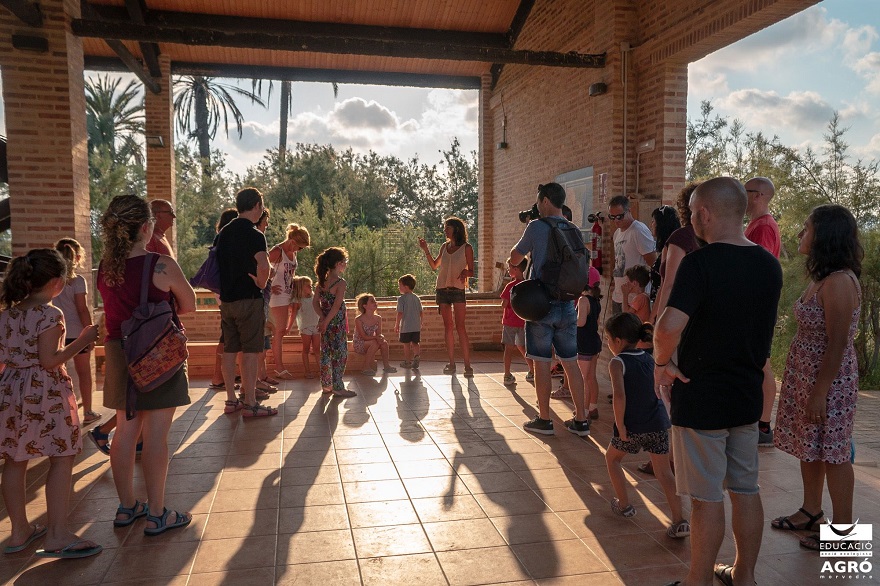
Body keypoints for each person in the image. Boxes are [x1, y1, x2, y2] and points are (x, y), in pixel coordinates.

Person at [654, 177, 782, 586]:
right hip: (746, 396)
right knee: (746, 488)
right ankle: (744, 576)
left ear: (705, 214)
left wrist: (661, 363)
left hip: (701, 396)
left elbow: (667, 327)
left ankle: (698, 581)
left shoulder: (700, 263)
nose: (692, 220)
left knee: (706, 498)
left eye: (693, 213)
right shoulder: (769, 265)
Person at [97, 194, 197, 536]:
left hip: (118, 351)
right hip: (157, 352)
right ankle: (157, 514)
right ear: (144, 227)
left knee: (125, 432)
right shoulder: (160, 264)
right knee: (156, 436)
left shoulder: (105, 267)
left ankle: (127, 506)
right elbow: (189, 304)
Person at [771, 204, 863, 552]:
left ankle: (845, 534)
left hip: (829, 383)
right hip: (807, 378)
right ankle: (811, 511)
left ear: (825, 236)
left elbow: (838, 344)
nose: (800, 234)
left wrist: (820, 392)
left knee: (834, 453)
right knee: (811, 447)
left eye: (806, 228)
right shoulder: (824, 277)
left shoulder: (839, 282)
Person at [0, 249, 102, 558]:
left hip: (11, 390)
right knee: (61, 455)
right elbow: (49, 360)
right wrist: (83, 340)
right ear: (57, 282)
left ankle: (19, 531)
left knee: (15, 459)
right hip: (46, 392)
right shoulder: (50, 314)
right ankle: (57, 534)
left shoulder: (7, 314)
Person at [509, 182, 589, 436]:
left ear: (544, 200)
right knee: (571, 363)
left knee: (542, 363)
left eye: (538, 201)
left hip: (541, 305)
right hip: (568, 304)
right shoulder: (573, 228)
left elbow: (515, 258)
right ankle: (581, 420)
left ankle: (544, 419)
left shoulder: (536, 226)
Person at [603, 313, 689, 538]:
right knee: (664, 472)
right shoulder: (651, 357)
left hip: (632, 425)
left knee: (612, 459)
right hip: (657, 424)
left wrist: (620, 426)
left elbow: (619, 396)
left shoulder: (617, 362)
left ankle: (624, 505)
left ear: (618, 341)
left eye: (608, 339)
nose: (608, 343)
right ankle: (679, 520)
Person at [215, 188, 276, 417]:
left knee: (230, 350)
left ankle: (231, 400)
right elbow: (264, 265)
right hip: (249, 299)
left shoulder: (223, 232)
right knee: (250, 351)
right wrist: (261, 283)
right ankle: (250, 403)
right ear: (257, 206)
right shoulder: (254, 234)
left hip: (227, 301)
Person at [744, 177, 783, 446]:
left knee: (763, 363)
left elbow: (761, 269)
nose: (741, 196)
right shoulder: (754, 224)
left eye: (744, 191)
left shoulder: (765, 227)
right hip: (752, 305)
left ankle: (764, 425)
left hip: (758, 306)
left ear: (758, 195)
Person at [419, 217, 474, 376]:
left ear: (456, 229)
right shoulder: (444, 246)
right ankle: (451, 363)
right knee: (448, 327)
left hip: (458, 291)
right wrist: (426, 249)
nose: (445, 230)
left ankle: (467, 366)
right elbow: (434, 266)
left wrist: (465, 272)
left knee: (460, 327)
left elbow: (471, 271)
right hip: (442, 290)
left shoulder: (467, 248)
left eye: (447, 227)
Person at [53, 238, 99, 425]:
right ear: (77, 257)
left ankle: (59, 412)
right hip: (77, 333)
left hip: (56, 332)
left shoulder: (51, 280)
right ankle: (87, 411)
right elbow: (82, 309)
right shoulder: (78, 281)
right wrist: (90, 333)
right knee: (84, 373)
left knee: (56, 373)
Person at [268, 223, 310, 379]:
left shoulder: (292, 253)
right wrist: (268, 286)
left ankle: (278, 367)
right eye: (300, 247)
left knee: (280, 331)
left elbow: (288, 274)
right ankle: (279, 367)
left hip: (286, 295)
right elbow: (259, 267)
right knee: (278, 331)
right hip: (276, 296)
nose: (299, 250)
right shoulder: (277, 252)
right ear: (292, 241)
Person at [314, 247, 356, 397]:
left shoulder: (321, 282)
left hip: (326, 322)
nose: (346, 264)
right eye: (345, 261)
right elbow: (337, 305)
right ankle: (338, 386)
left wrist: (322, 318)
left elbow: (315, 303)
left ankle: (326, 385)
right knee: (340, 354)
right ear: (338, 264)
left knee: (326, 352)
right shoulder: (340, 283)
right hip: (336, 324)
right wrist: (326, 321)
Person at [608, 195, 657, 315]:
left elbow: (653, 263)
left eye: (619, 216)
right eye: (612, 217)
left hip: (635, 298)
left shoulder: (638, 230)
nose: (616, 220)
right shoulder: (617, 233)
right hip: (619, 295)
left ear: (628, 211)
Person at [208, 208, 239, 391]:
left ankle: (222, 375)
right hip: (227, 292)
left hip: (221, 291)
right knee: (227, 335)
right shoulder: (227, 239)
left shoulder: (219, 239)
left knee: (227, 334)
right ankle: (218, 376)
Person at [499, 258, 532, 385]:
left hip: (509, 322)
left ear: (516, 269)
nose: (508, 270)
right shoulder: (527, 285)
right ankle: (532, 371)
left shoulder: (510, 286)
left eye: (509, 268)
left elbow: (504, 304)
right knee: (523, 347)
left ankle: (507, 375)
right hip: (523, 322)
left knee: (508, 348)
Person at [577, 272, 602, 419]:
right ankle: (593, 407)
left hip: (584, 343)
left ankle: (583, 411)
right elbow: (597, 322)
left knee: (583, 379)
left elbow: (581, 322)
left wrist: (569, 321)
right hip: (594, 342)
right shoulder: (596, 300)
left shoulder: (583, 300)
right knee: (592, 377)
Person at [353, 293, 397, 376]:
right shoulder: (359, 319)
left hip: (372, 341)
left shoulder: (378, 318)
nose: (375, 303)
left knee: (384, 343)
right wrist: (376, 338)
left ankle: (386, 366)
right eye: (372, 301)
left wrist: (380, 337)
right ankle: (366, 367)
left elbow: (379, 334)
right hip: (360, 343)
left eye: (375, 301)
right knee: (375, 343)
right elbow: (363, 337)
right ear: (365, 306)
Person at [649, 205, 681, 302]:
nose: (651, 225)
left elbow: (666, 284)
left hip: (664, 302)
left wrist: (657, 310)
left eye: (653, 221)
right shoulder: (667, 247)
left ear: (661, 224)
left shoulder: (670, 248)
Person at [290, 276, 320, 378]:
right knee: (306, 349)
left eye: (311, 285)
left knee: (317, 349)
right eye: (308, 285)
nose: (310, 287)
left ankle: (322, 370)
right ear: (301, 287)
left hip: (316, 326)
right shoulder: (297, 300)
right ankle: (307, 371)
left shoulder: (314, 297)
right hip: (305, 327)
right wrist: (288, 328)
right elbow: (293, 315)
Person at [395, 274, 423, 369]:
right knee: (415, 343)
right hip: (416, 326)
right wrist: (421, 322)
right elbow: (421, 312)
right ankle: (416, 356)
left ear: (406, 287)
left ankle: (407, 361)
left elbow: (400, 313)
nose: (399, 288)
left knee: (406, 344)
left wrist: (397, 324)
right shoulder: (417, 298)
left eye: (400, 286)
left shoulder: (401, 299)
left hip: (406, 327)